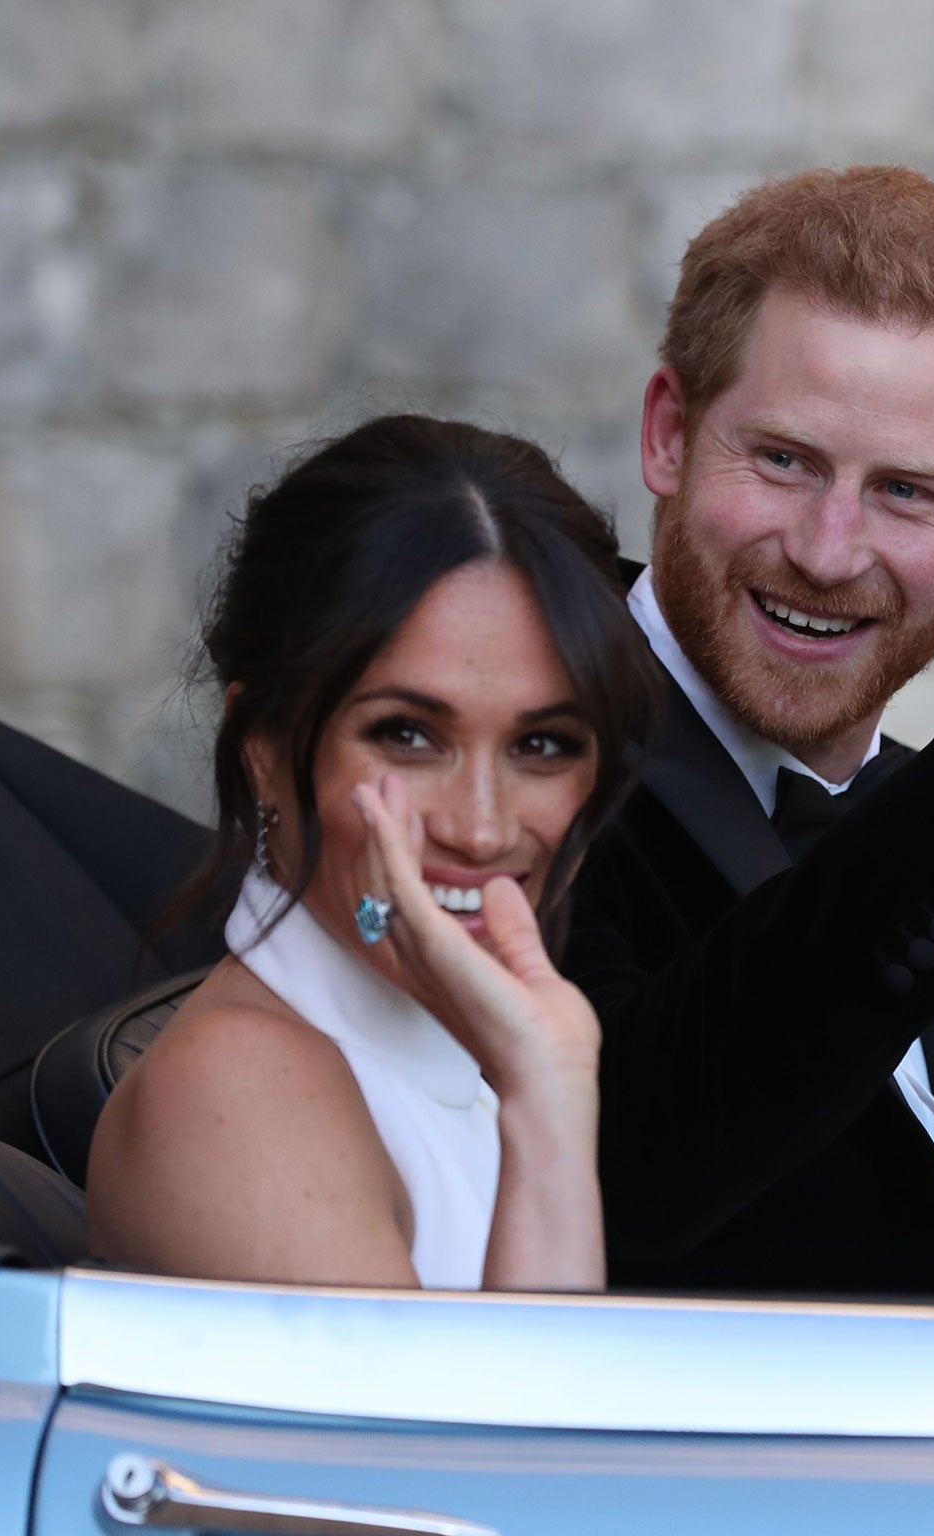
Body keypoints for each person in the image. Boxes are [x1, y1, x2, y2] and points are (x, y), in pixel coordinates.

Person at [566, 166, 934, 1297]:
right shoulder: (530, 761)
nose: (829, 552)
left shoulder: (930, 814)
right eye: (783, 461)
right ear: (668, 438)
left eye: (904, 492)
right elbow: (629, 1169)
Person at [86, 415, 663, 1291]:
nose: (480, 827)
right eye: (407, 735)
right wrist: (546, 1105)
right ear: (266, 751)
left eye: (542, 746)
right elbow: (504, 1436)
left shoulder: (450, 1053)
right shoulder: (239, 1088)